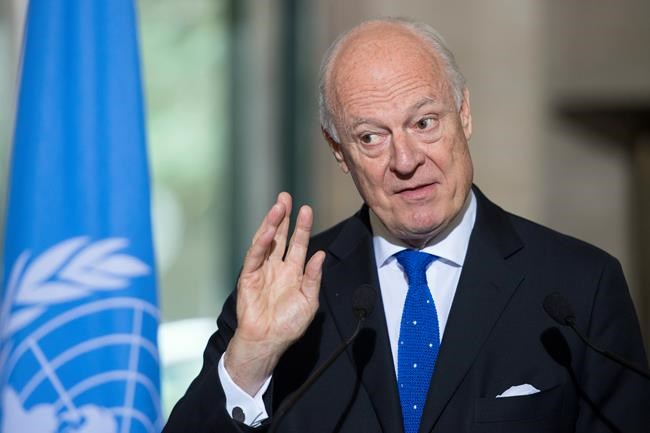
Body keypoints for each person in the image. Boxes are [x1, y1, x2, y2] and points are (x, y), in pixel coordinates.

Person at [163, 18, 650, 433]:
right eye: (370, 137)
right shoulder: (286, 291)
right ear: (339, 152)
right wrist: (252, 357)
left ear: (464, 114)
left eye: (424, 123)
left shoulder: (578, 287)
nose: (405, 160)